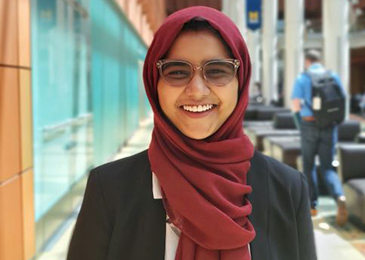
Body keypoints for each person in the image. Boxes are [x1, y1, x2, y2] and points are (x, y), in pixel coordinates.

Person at [67, 7, 316, 260]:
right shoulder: (109, 191)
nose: (197, 91)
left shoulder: (288, 189)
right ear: (154, 83)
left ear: (240, 82)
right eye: (176, 71)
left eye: (217, 70)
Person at [291, 50, 348, 226]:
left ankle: (312, 206)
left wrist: (300, 124)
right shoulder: (333, 76)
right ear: (320, 61)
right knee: (327, 167)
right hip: (329, 126)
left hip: (309, 124)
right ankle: (340, 196)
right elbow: (343, 99)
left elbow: (295, 104)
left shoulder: (303, 78)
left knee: (308, 165)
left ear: (307, 61)